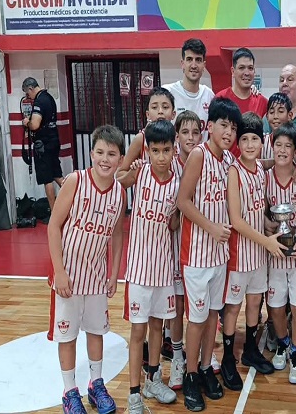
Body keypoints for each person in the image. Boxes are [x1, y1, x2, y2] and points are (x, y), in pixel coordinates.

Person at [47, 125, 126, 414]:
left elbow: (117, 235)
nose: (105, 159)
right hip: (68, 275)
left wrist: (114, 273)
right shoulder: (75, 181)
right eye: (100, 152)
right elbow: (53, 226)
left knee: (96, 332)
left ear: (120, 159)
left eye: (112, 154)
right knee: (67, 336)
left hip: (96, 276)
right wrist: (59, 271)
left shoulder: (119, 193)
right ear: (91, 153)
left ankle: (96, 384)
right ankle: (70, 391)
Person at [176, 97, 241, 412]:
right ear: (210, 126)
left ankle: (204, 367)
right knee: (197, 320)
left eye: (233, 128)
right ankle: (190, 375)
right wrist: (212, 227)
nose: (229, 132)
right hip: (197, 255)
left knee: (213, 315)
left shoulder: (229, 159)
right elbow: (183, 201)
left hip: (220, 255)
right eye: (224, 125)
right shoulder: (199, 155)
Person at [118, 120, 180, 412]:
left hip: (163, 268)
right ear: (148, 151)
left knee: (158, 326)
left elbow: (174, 223)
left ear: (174, 149)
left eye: (166, 150)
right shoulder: (140, 171)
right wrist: (129, 170)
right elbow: (117, 178)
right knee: (138, 332)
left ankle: (153, 380)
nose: (161, 156)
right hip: (139, 270)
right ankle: (133, 395)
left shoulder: (177, 182)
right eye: (155, 150)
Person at [221, 112, 284, 390]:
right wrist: (267, 241)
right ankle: (227, 358)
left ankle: (249, 349)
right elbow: (236, 220)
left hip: (258, 252)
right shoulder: (234, 172)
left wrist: (270, 226)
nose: (249, 144)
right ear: (238, 143)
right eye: (244, 139)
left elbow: (257, 211)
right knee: (233, 307)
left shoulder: (259, 169)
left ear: (262, 142)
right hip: (240, 253)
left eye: (254, 139)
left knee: (255, 302)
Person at [264, 122, 296, 384]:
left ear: (295, 151)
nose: (282, 150)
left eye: (288, 146)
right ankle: (282, 344)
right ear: (272, 147)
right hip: (275, 253)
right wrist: (267, 225)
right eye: (278, 145)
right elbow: (262, 212)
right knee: (275, 307)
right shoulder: (265, 177)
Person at [166, 110, 203, 391]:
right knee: (178, 306)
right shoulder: (170, 167)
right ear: (176, 136)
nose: (190, 138)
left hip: (200, 246)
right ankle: (178, 357)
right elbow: (172, 220)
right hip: (175, 245)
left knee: (202, 306)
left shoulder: (206, 162)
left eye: (195, 132)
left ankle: (201, 353)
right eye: (185, 133)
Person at [21, 77, 63, 215]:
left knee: (47, 179)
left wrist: (27, 122)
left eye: (28, 93)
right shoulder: (49, 98)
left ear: (31, 88)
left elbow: (35, 125)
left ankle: (54, 213)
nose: (28, 97)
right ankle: (76, 201)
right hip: (54, 140)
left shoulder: (39, 101)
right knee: (57, 174)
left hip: (43, 145)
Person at [215, 47, 269, 156]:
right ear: (233, 71)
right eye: (241, 68)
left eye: (250, 68)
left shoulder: (263, 102)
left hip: (252, 164)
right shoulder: (220, 99)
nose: (246, 73)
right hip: (225, 164)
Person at [163, 38, 215, 141]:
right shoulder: (167, 93)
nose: (194, 65)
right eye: (189, 59)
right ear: (182, 64)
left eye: (198, 60)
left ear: (204, 65)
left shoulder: (209, 95)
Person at [261, 92, 293, 162]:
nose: (275, 116)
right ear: (267, 116)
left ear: (290, 115)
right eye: (272, 112)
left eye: (280, 111)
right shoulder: (262, 142)